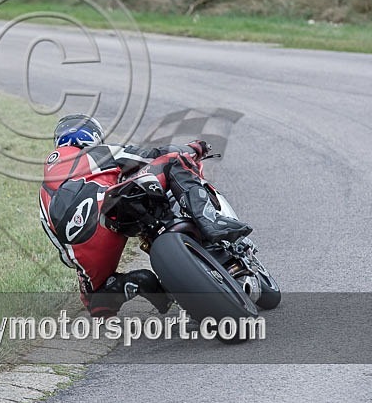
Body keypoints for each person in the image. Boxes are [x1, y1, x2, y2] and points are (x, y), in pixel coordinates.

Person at [39, 114, 252, 318]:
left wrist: (86, 265)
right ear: (91, 136)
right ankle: (211, 222)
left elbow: (57, 243)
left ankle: (140, 283)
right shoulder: (95, 153)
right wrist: (194, 148)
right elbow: (150, 155)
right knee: (173, 160)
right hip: (105, 205)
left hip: (83, 250)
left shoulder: (43, 192)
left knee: (97, 303)